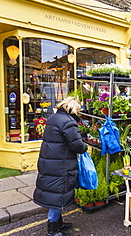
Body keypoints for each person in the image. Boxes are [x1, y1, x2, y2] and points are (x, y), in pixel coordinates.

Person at [33, 97, 87, 236]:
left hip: (50, 163)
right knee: (57, 196)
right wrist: (85, 146)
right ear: (73, 109)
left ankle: (59, 223)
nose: (79, 113)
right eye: (78, 110)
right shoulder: (68, 122)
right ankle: (53, 231)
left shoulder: (53, 118)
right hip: (60, 165)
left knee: (56, 194)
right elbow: (77, 145)